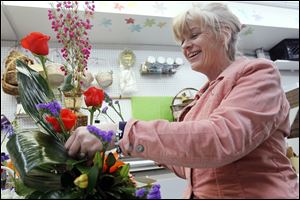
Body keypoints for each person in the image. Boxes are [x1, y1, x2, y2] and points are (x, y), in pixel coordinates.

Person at [65, 3, 299, 199]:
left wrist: (121, 132)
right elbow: (194, 164)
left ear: (224, 32)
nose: (185, 46)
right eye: (182, 40)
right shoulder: (203, 95)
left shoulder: (258, 73)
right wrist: (138, 150)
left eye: (194, 35)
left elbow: (219, 139)